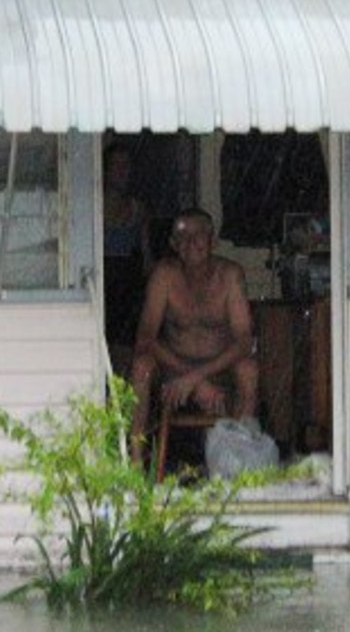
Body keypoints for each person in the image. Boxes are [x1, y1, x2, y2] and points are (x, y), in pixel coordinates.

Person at [129, 208, 259, 464]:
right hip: (172, 368)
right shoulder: (164, 275)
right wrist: (193, 381)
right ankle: (135, 465)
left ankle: (238, 467)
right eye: (183, 235)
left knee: (249, 369)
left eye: (200, 234)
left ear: (213, 241)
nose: (191, 242)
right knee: (141, 366)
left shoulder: (230, 275)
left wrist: (196, 377)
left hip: (219, 368)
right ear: (173, 244)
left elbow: (244, 341)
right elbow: (145, 338)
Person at [102, 143, 150, 372]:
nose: (122, 172)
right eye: (117, 166)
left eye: (126, 166)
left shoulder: (138, 209)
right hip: (101, 279)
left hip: (126, 283)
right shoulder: (93, 205)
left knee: (125, 344)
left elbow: (146, 255)